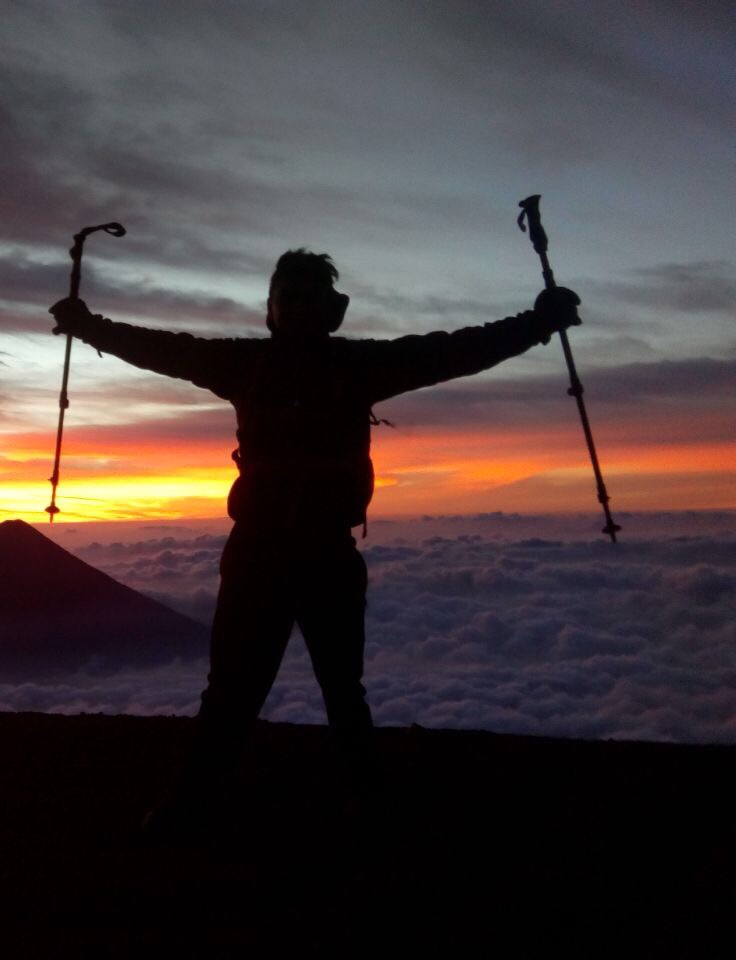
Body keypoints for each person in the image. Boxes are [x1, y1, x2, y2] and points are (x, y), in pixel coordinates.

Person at [49, 250, 581, 835]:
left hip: (303, 554)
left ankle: (221, 806)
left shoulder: (284, 365)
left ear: (326, 312)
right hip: (277, 554)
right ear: (276, 311)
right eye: (291, 298)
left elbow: (451, 350)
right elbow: (165, 348)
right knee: (254, 691)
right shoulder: (302, 365)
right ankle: (254, 803)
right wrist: (91, 326)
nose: (299, 309)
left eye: (308, 299)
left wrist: (534, 325)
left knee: (311, 691)